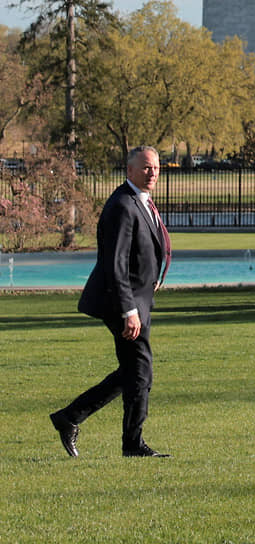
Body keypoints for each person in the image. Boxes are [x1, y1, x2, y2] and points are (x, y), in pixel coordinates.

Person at [49, 146, 172, 458]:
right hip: (122, 303)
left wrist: (154, 276)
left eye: (156, 167)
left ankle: (70, 417)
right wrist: (129, 310)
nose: (153, 173)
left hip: (138, 300)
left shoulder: (141, 201)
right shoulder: (121, 205)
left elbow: (147, 249)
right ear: (129, 171)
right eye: (146, 168)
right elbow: (114, 264)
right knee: (140, 372)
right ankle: (132, 445)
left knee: (133, 372)